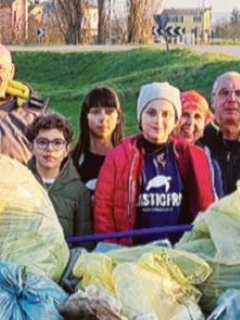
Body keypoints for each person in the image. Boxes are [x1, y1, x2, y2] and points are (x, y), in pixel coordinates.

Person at [93, 82, 218, 246]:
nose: (158, 121)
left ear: (175, 120)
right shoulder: (119, 156)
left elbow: (207, 210)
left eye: (166, 114)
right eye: (151, 113)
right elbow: (103, 211)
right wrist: (112, 250)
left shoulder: (194, 157)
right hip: (133, 254)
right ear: (140, 117)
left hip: (181, 252)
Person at [26, 114, 93, 238]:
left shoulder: (79, 191)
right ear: (31, 147)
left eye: (57, 143)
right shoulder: (19, 183)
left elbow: (84, 240)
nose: (50, 149)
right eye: (42, 142)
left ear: (67, 149)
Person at [71, 86, 123, 189]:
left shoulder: (127, 160)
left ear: (118, 118)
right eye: (95, 112)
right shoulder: (72, 162)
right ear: (86, 117)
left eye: (109, 112)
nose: (103, 118)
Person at [178, 89, 223, 195]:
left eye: (197, 117)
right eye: (185, 115)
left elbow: (218, 203)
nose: (190, 122)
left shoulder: (210, 165)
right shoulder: (157, 157)